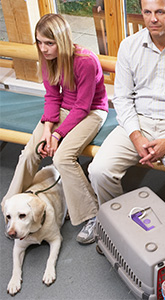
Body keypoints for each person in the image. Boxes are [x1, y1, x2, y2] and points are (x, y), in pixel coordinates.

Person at [88, 0, 165, 227]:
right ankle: (119, 225)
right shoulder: (129, 46)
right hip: (137, 122)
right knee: (99, 170)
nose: (152, 19)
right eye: (147, 12)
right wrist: (136, 136)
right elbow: (123, 99)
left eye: (160, 12)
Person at [2, 14, 109, 244]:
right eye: (40, 42)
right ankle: (11, 206)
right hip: (63, 109)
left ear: (62, 40)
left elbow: (82, 107)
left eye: (49, 43)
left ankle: (92, 216)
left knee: (62, 157)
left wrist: (58, 136)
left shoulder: (86, 61)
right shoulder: (46, 58)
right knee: (31, 151)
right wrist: (48, 130)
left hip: (91, 111)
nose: (44, 48)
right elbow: (52, 97)